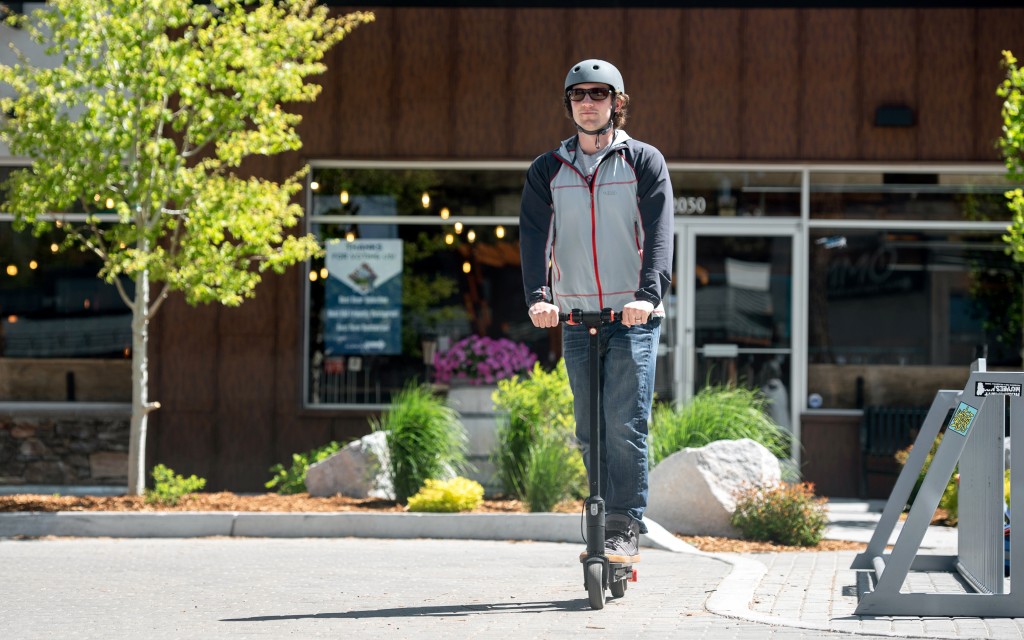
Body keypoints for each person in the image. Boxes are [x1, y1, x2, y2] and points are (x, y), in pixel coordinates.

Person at [519, 59, 674, 563]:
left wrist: (648, 296)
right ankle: (602, 517)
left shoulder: (643, 162)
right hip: (576, 318)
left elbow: (658, 236)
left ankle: (624, 524)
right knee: (590, 430)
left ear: (616, 103)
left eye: (599, 94)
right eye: (579, 95)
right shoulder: (548, 169)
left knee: (625, 424)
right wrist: (539, 296)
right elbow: (534, 238)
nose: (589, 102)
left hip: (632, 320)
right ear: (569, 104)